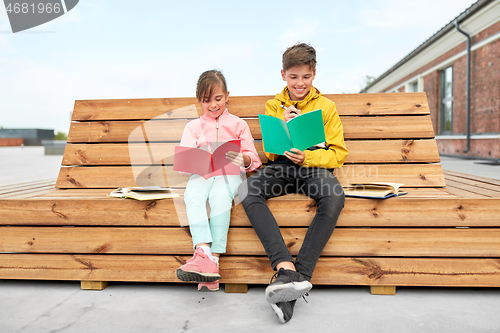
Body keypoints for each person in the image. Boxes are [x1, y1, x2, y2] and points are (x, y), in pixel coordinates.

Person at [239, 43, 348, 323]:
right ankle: (286, 268)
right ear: (283, 75)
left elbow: (338, 154)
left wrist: (308, 156)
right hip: (282, 167)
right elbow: (271, 153)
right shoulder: (273, 106)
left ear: (314, 75)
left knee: (334, 196)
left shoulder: (327, 107)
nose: (300, 84)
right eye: (294, 77)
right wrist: (283, 126)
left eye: (306, 77)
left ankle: (297, 278)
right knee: (247, 190)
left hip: (313, 167)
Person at [176, 69, 262, 291]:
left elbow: (254, 159)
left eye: (218, 99)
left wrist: (243, 159)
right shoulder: (192, 127)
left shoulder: (239, 124)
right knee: (192, 194)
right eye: (207, 100)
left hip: (229, 175)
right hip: (201, 175)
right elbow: (184, 163)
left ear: (227, 95)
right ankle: (202, 250)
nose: (213, 105)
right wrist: (193, 161)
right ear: (199, 101)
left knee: (221, 197)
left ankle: (213, 260)